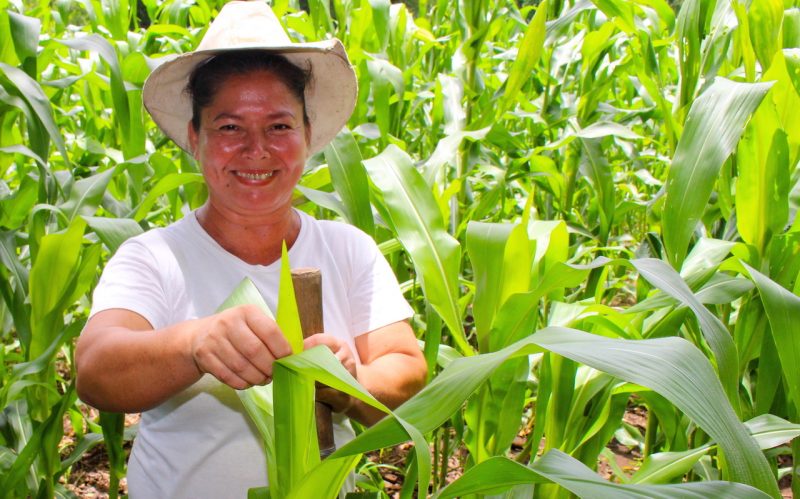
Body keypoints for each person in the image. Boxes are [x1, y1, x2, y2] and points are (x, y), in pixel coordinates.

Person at [74, 2, 427, 497]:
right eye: (229, 127)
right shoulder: (154, 257)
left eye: (279, 126)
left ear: (307, 135)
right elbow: (95, 370)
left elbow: (406, 366)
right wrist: (194, 343)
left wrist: (349, 383)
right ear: (195, 138)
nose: (256, 149)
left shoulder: (349, 250)